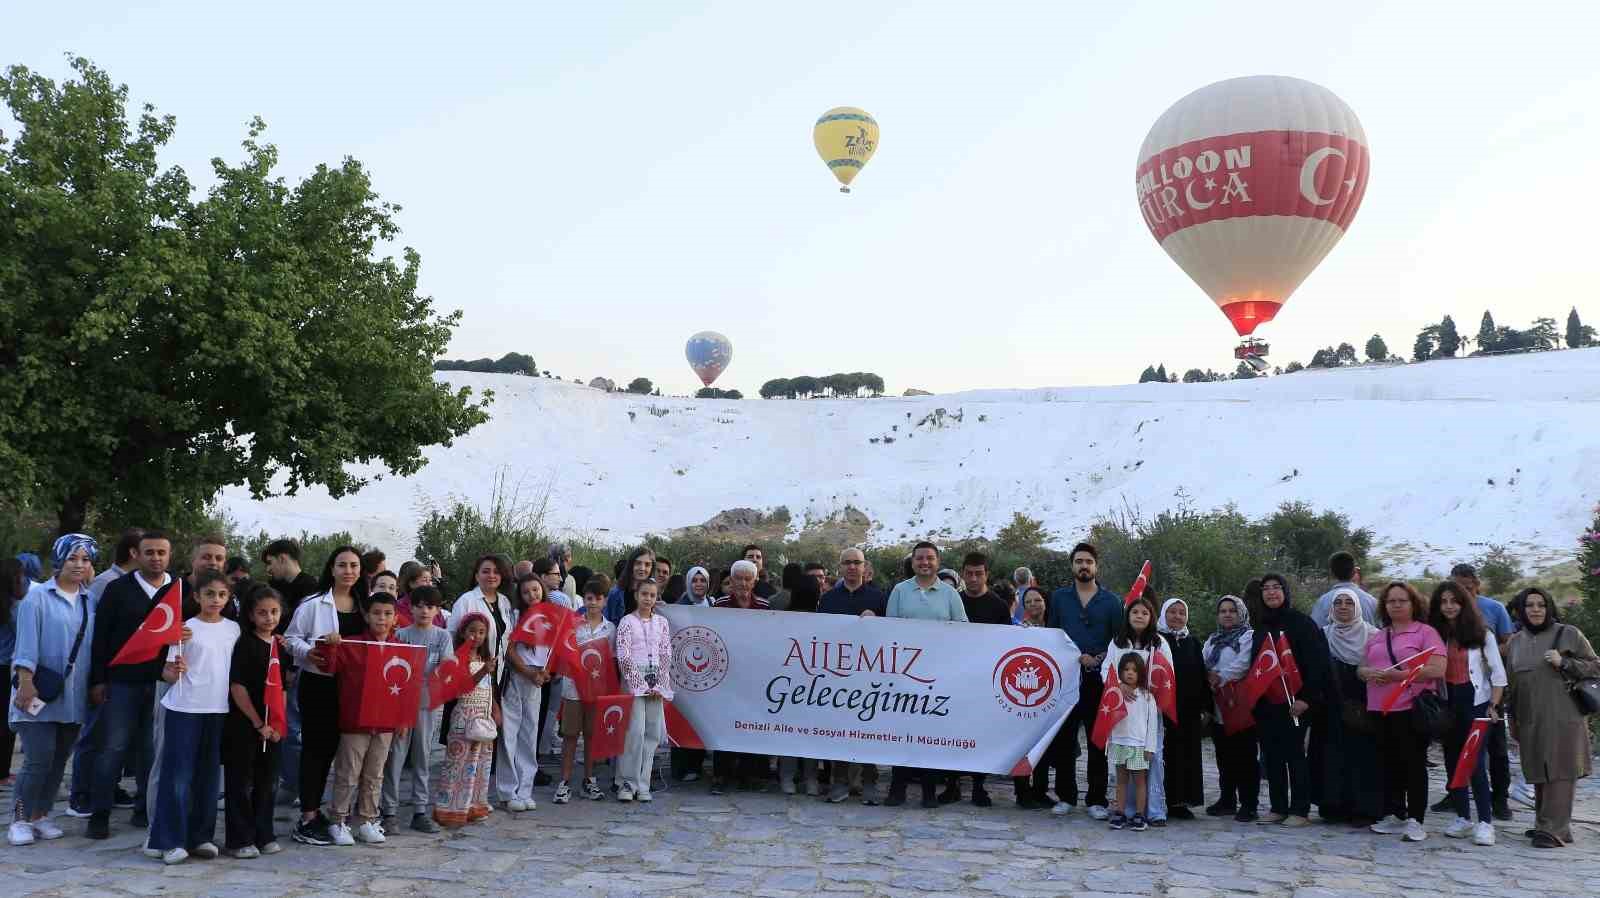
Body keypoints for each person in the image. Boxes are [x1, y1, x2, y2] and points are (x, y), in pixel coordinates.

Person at [7, 534, 97, 848]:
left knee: (59, 760)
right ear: (60, 560)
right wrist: (26, 682)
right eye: (73, 558)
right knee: (37, 760)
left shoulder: (90, 600)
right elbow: (26, 644)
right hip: (37, 693)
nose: (79, 565)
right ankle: (18, 818)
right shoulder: (37, 597)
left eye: (85, 559)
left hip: (73, 697)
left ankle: (40, 815)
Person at [149, 570, 240, 864]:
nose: (216, 600)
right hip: (184, 708)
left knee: (209, 778)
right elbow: (165, 671)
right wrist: (171, 672)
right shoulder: (183, 629)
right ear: (197, 596)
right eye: (210, 594)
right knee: (177, 777)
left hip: (217, 710)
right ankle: (169, 840)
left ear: (229, 598)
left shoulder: (234, 630)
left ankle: (200, 836)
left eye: (222, 595)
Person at [283, 546, 368, 846]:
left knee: (343, 751)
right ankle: (307, 815)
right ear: (331, 569)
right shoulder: (313, 604)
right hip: (319, 685)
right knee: (316, 751)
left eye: (354, 565)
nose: (348, 571)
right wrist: (311, 652)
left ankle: (338, 813)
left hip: (354, 688)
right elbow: (290, 639)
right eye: (342, 565)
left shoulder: (365, 606)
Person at [1504, 587, 1598, 848]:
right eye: (1529, 605)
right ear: (1521, 610)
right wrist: (1511, 717)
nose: (1535, 610)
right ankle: (1547, 825)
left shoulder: (1568, 633)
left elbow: (1595, 666)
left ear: (1549, 608)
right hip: (1529, 715)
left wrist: (1564, 663)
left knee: (1560, 770)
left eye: (1541, 605)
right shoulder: (1516, 642)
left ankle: (1552, 830)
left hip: (1563, 715)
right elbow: (1512, 683)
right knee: (1538, 770)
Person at [1360, 581, 1447, 843]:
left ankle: (1415, 819)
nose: (1396, 605)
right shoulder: (1378, 635)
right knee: (1388, 763)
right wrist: (1366, 673)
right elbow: (1362, 666)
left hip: (1409, 707)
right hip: (1379, 708)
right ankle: (1394, 813)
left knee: (1413, 765)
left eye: (1401, 600)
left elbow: (1437, 669)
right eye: (1390, 601)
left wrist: (1400, 675)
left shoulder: (1425, 632)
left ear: (1413, 603)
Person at [884, 542, 967, 809]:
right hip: (905, 674)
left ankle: (930, 791)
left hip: (938, 675)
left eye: (930, 558)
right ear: (913, 562)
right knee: (901, 733)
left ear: (938, 561)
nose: (924, 563)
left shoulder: (950, 594)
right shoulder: (900, 591)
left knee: (931, 734)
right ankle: (897, 789)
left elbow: (964, 630)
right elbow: (889, 629)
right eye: (920, 558)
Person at [1042, 543, 1121, 819]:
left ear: (1096, 566)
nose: (1083, 566)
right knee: (1065, 738)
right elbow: (1053, 635)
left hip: (1098, 681)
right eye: (1079, 561)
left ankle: (1096, 799)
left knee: (1097, 739)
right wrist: (1072, 657)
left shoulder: (1111, 601)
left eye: (1088, 561)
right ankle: (1066, 796)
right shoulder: (1060, 598)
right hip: (1066, 679)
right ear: (1072, 566)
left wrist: (1097, 658)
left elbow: (1117, 640)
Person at [322, 592, 408, 845]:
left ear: (395, 618)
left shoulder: (401, 649)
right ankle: (338, 821)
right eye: (377, 613)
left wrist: (403, 719)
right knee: (347, 773)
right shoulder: (352, 644)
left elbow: (407, 688)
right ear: (367, 616)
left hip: (385, 724)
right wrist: (331, 646)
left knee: (375, 773)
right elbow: (330, 667)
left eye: (388, 613)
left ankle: (367, 820)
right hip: (355, 721)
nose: (382, 618)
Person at [1248, 573, 1329, 828]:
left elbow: (1318, 664)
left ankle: (1300, 810)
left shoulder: (1302, 623)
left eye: (1276, 588)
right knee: (1272, 756)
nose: (1271, 593)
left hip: (1296, 702)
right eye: (1266, 588)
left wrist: (1307, 699)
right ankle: (1278, 807)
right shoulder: (1261, 625)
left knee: (1294, 755)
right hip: (1267, 703)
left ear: (1285, 591)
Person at [1428, 580, 1505, 846]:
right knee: (1452, 761)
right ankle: (1462, 816)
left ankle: (1485, 822)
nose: (1449, 606)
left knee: (1473, 763)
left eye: (1454, 601)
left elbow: (1498, 675)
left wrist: (1492, 706)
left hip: (1475, 703)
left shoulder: (1482, 634)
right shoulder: (1435, 634)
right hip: (1447, 704)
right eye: (1444, 601)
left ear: (1464, 603)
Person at [817, 548, 885, 804]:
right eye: (847, 563)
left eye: (857, 562)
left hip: (871, 675)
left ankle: (870, 782)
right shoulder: (828, 599)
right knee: (840, 729)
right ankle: (840, 782)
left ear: (864, 566)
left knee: (870, 729)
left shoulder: (879, 598)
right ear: (840, 567)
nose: (852, 567)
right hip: (839, 676)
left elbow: (892, 638)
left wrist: (876, 620)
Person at [222, 587, 286, 858]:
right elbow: (238, 687)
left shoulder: (279, 646)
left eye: (274, 612)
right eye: (262, 613)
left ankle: (264, 833)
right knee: (241, 782)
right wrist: (258, 723)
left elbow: (282, 685)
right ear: (250, 615)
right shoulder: (245, 644)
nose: (269, 618)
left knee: (267, 781)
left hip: (273, 727)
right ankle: (239, 839)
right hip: (245, 723)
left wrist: (276, 725)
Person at [1448, 563, 1515, 821]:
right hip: (1458, 692)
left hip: (1488, 691)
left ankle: (1499, 800)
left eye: (1468, 587)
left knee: (1494, 749)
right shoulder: (1445, 619)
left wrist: (1488, 652)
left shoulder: (1494, 609)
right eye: (1458, 588)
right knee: (1456, 751)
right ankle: (1458, 802)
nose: (1464, 593)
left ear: (1477, 585)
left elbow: (1507, 642)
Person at [381, 586, 450, 834]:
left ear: (437, 610)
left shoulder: (442, 637)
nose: (424, 610)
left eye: (430, 606)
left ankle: (420, 810)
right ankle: (388, 811)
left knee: (423, 756)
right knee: (396, 756)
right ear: (410, 608)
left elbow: (446, 667)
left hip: (427, 704)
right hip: (400, 704)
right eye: (419, 605)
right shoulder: (400, 635)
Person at [1101, 595, 1173, 825]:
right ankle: (1126, 810)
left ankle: (1153, 810)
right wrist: (1118, 686)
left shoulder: (1159, 642)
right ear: (1128, 616)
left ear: (1151, 616)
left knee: (1150, 758)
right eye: (1135, 612)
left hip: (1148, 709)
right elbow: (1107, 669)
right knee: (1124, 766)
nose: (1139, 616)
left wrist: (1150, 693)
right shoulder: (1117, 642)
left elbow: (1168, 674)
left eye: (1144, 613)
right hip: (1121, 710)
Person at [1316, 589, 1382, 826]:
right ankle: (1334, 806)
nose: (1343, 607)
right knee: (1333, 756)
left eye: (1348, 603)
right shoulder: (1323, 635)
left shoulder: (1374, 636)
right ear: (1331, 609)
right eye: (1338, 603)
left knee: (1363, 757)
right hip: (1331, 706)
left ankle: (1364, 809)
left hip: (1363, 706)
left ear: (1357, 608)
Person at [262, 537, 319, 803]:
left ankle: (294, 784)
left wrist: (294, 665)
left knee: (292, 728)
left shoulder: (311, 589)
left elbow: (305, 634)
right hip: (274, 666)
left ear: (283, 557)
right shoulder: (275, 587)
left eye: (270, 562)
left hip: (295, 669)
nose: (268, 569)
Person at [949, 551, 1008, 807]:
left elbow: (1008, 642)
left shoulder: (998, 605)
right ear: (963, 574)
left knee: (980, 734)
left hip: (985, 680)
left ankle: (978, 786)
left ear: (987, 574)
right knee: (952, 732)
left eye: (978, 574)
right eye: (969, 573)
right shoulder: (954, 601)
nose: (973, 578)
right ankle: (951, 785)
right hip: (954, 676)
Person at [433, 613, 498, 828]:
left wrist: (496, 710)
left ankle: (472, 805)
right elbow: (461, 688)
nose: (477, 636)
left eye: (481, 632)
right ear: (462, 633)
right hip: (464, 717)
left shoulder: (484, 659)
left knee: (478, 764)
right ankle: (450, 808)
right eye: (472, 631)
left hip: (483, 716)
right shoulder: (458, 658)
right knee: (457, 763)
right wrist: (482, 672)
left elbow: (490, 689)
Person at [555, 576, 616, 803]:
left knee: (592, 735)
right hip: (573, 690)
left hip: (597, 691)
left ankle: (589, 780)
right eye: (589, 598)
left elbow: (611, 661)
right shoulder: (572, 625)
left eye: (598, 598)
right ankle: (564, 781)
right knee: (570, 735)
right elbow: (563, 656)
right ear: (584, 599)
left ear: (605, 601)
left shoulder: (611, 629)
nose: (593, 602)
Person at [711, 561, 770, 792]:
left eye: (748, 579)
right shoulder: (720, 605)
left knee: (752, 723)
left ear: (755, 581)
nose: (743, 583)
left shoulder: (765, 607)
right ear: (731, 580)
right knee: (724, 724)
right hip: (726, 676)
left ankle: (750, 775)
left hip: (755, 677)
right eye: (739, 578)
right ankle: (721, 776)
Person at [495, 575, 549, 812]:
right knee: (510, 733)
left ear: (542, 590)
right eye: (526, 592)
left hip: (536, 682)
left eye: (535, 590)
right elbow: (508, 650)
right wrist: (527, 671)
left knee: (529, 734)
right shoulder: (516, 616)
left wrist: (546, 673)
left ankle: (525, 789)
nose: (532, 596)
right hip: (517, 678)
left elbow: (553, 652)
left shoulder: (550, 618)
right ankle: (508, 790)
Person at [615, 578, 672, 802]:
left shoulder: (662, 623)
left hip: (656, 680)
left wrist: (659, 684)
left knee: (652, 733)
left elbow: (666, 653)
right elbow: (624, 655)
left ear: (657, 597)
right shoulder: (627, 622)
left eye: (652, 595)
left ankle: (644, 783)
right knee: (634, 732)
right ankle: (627, 783)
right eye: (644, 594)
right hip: (633, 682)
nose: (648, 599)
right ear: (636, 595)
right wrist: (638, 684)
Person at [1203, 595, 1259, 822]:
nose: (1227, 614)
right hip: (1218, 706)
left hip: (1240, 706)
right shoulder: (1212, 640)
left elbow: (1244, 664)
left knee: (1245, 757)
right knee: (1223, 756)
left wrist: (1220, 677)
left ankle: (1249, 803)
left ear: (1241, 613)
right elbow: (1202, 662)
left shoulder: (1249, 637)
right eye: (1223, 611)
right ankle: (1227, 799)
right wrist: (1207, 677)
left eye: (1232, 610)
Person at [1157, 598, 1207, 820]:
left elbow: (1201, 674)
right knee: (1165, 754)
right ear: (1163, 614)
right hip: (1162, 709)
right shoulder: (1155, 640)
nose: (1177, 616)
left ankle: (1180, 802)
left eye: (1181, 613)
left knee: (1186, 755)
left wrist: (1205, 705)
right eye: (1172, 612)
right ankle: (1159, 799)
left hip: (1188, 709)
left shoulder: (1192, 642)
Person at [778, 577, 821, 796]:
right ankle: (809, 779)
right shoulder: (818, 618)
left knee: (790, 732)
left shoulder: (786, 618)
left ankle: (788, 778)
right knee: (809, 733)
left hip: (791, 686)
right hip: (811, 686)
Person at [1107, 653, 1160, 832]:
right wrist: (1109, 741)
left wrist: (1150, 747)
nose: (1130, 673)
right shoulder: (1115, 693)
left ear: (1141, 673)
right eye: (1126, 669)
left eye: (1134, 670)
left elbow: (1152, 724)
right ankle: (1120, 812)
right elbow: (1108, 717)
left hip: (1138, 745)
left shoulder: (1147, 697)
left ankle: (1139, 814)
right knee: (1121, 780)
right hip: (1119, 743)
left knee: (1139, 781)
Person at [450, 555, 515, 679]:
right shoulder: (466, 601)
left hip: (497, 670)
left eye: (496, 572)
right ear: (477, 576)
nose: (491, 575)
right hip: (472, 671)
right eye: (485, 571)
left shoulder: (504, 601)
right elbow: (452, 636)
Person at [0, 559, 26, 788]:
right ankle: (2, 772)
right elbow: (23, 636)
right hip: (5, 667)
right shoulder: (14, 607)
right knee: (4, 721)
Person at [1309, 551, 1378, 627]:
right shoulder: (1372, 602)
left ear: (1331, 573)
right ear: (1354, 571)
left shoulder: (1322, 603)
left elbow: (1314, 630)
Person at [603, 547, 656, 623]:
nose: (642, 568)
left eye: (647, 564)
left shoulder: (654, 593)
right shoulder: (615, 593)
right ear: (631, 565)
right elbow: (606, 623)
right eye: (638, 563)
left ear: (652, 568)